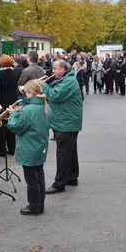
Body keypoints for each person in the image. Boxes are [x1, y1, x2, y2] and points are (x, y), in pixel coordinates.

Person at [7, 80, 52, 215]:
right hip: (40, 146)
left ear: (31, 93)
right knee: (39, 175)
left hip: (29, 148)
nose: (24, 95)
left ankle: (34, 207)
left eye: (26, 92)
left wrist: (13, 114)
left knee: (32, 179)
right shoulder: (46, 106)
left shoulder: (28, 110)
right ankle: (40, 205)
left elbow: (15, 127)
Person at [40, 60, 83, 194]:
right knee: (70, 151)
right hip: (65, 121)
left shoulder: (68, 81)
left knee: (63, 154)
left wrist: (43, 86)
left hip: (66, 123)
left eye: (54, 68)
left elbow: (55, 96)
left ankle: (59, 184)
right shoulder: (65, 79)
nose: (52, 71)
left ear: (63, 70)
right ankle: (71, 177)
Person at [0, 55, 18, 157]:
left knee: (1, 127)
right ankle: (12, 148)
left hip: (0, 104)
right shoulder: (14, 73)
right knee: (11, 126)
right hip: (12, 103)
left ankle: (2, 150)